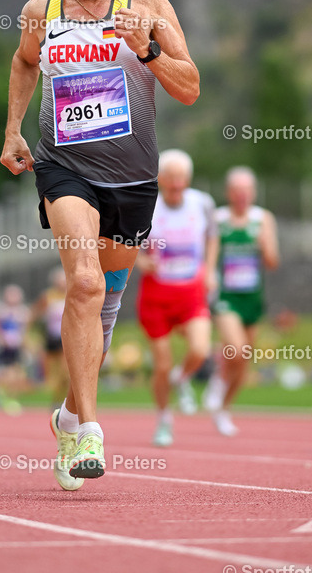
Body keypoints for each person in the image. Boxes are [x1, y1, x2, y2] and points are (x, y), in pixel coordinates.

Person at [0, 0, 200, 489]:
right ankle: (89, 430)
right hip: (64, 169)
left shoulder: (148, 2)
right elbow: (24, 62)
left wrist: (149, 50)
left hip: (131, 181)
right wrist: (13, 130)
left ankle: (67, 415)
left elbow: (190, 87)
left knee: (106, 308)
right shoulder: (41, 10)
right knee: (83, 283)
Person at [136, 149, 217, 446]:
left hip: (191, 291)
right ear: (160, 179)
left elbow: (212, 236)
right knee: (161, 365)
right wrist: (140, 261)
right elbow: (124, 240)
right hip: (156, 294)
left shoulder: (202, 203)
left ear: (188, 179)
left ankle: (181, 379)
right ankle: (163, 420)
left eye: (181, 177)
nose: (176, 183)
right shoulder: (146, 204)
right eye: (170, 178)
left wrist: (210, 269)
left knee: (200, 349)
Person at [203, 166, 279, 436]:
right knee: (235, 349)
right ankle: (219, 378)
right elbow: (207, 254)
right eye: (237, 190)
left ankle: (224, 408)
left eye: (247, 189)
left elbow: (272, 262)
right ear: (229, 192)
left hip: (252, 298)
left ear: (254, 192)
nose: (242, 194)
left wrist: (264, 244)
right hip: (226, 297)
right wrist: (208, 275)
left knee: (244, 359)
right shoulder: (218, 218)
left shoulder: (263, 219)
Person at [32, 267, 69, 406]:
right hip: (51, 338)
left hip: (67, 338)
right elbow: (34, 314)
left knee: (65, 373)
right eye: (59, 281)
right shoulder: (48, 296)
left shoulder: (71, 294)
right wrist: (33, 335)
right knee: (53, 375)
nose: (62, 284)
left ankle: (62, 401)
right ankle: (57, 400)